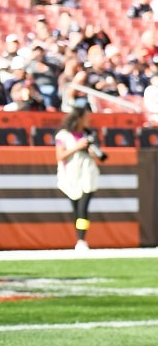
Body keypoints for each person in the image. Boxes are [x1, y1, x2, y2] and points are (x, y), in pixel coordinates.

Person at [55, 106, 104, 252]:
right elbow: (60, 156)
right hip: (71, 175)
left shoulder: (90, 134)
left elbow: (100, 156)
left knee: (83, 208)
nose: (88, 120)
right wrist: (78, 146)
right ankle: (79, 238)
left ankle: (81, 239)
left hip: (87, 174)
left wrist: (92, 150)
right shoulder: (63, 136)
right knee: (76, 209)